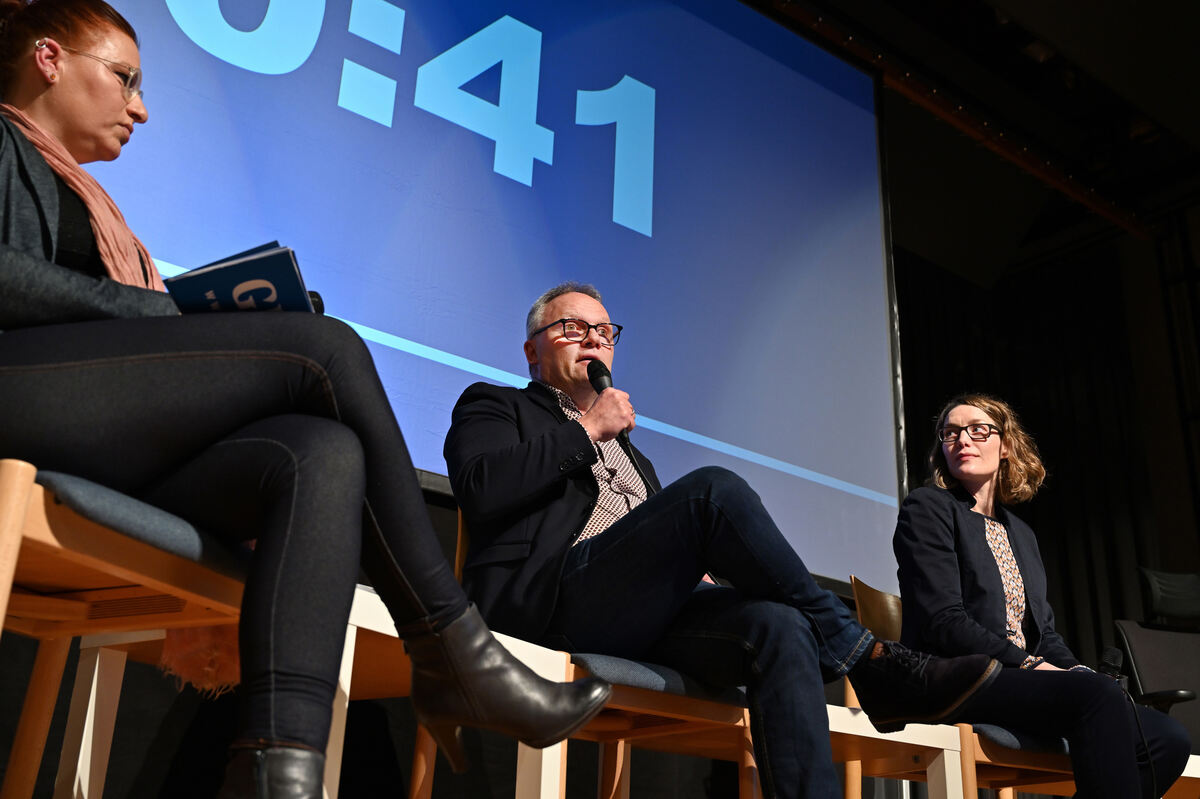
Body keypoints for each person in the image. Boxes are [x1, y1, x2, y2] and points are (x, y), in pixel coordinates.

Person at [0, 2, 610, 797]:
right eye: (126, 79)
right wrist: (167, 313)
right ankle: (452, 646)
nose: (140, 108)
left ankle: (278, 770)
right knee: (324, 347)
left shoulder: (87, 197)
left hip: (79, 421)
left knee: (321, 454)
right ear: (49, 59)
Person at [443, 282, 1005, 799]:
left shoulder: (633, 454)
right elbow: (481, 489)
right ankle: (867, 658)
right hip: (553, 603)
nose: (593, 339)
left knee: (780, 626)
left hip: (642, 615)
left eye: (605, 331)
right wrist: (588, 429)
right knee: (711, 490)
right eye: (573, 328)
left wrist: (695, 569)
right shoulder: (496, 404)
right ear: (532, 351)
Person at [893, 392, 1192, 797]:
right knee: (1096, 699)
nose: (962, 440)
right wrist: (1030, 664)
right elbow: (943, 621)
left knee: (1167, 739)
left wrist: (1075, 670)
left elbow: (1043, 633)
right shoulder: (927, 508)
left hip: (1017, 680)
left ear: (1005, 446)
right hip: (958, 679)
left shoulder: (1020, 533)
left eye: (978, 430)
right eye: (950, 433)